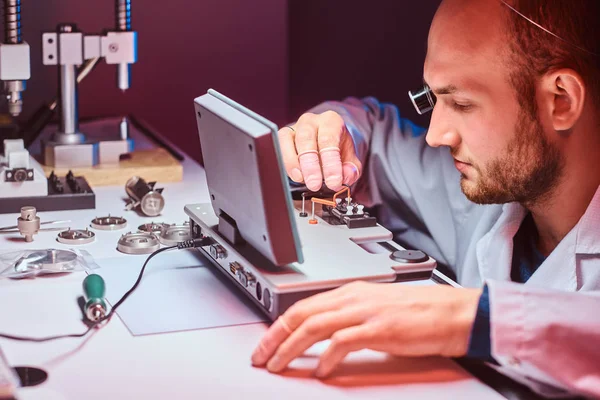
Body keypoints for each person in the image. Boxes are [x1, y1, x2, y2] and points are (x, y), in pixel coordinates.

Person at [250, 0, 600, 397]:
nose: (435, 135)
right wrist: (330, 136)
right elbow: (373, 131)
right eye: (433, 98)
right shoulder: (489, 186)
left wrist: (471, 317)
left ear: (561, 101)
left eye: (462, 103)